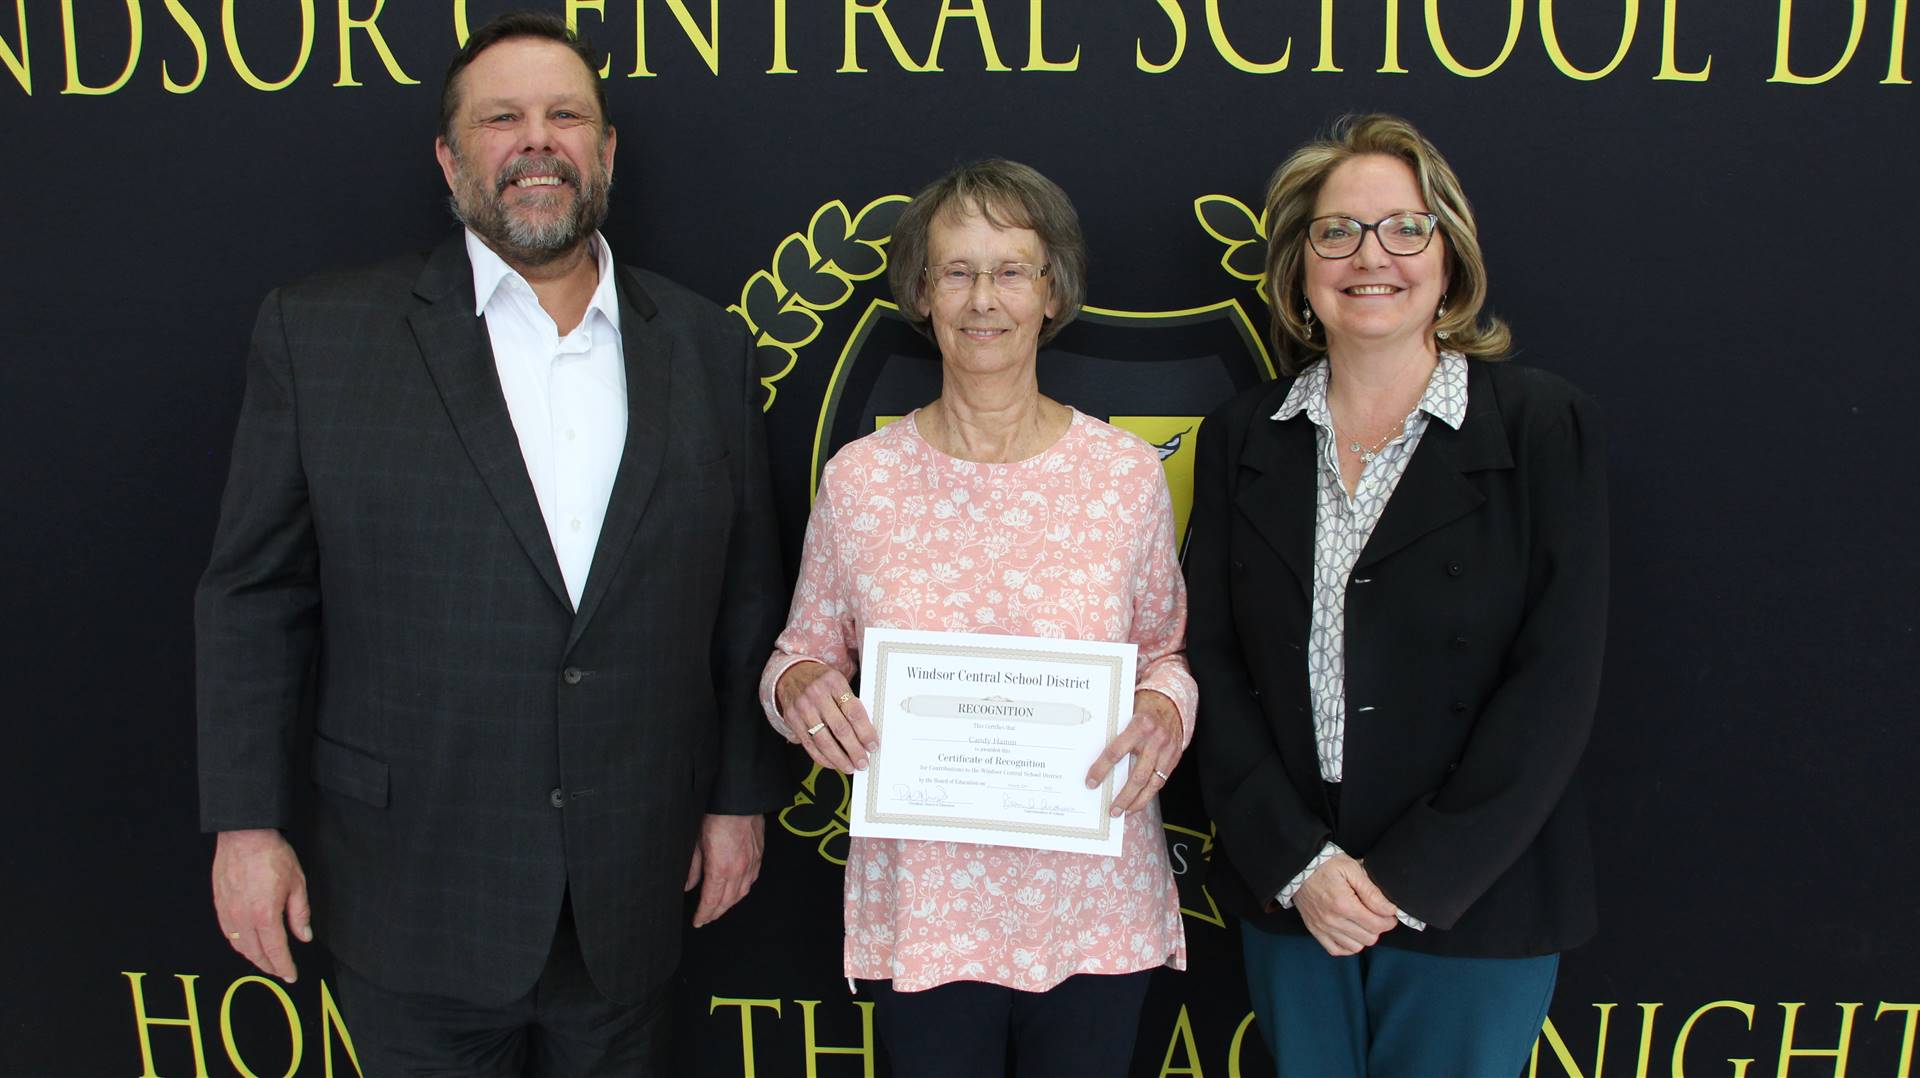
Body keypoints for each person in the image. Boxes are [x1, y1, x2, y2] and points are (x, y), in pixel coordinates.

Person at [194, 13, 787, 1074]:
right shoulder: (321, 334)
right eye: (501, 118)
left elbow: (744, 597)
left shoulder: (707, 345)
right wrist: (247, 825)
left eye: (566, 116)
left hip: (631, 889)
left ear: (607, 150)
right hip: (412, 887)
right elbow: (256, 598)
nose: (537, 141)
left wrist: (737, 797)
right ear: (449, 156)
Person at [1185, 114, 1609, 1077]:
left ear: (1449, 259)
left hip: (1475, 893)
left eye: (1405, 229)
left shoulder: (1542, 425)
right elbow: (1213, 659)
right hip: (1296, 893)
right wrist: (1300, 864)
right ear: (1299, 269)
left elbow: (1556, 679)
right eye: (1336, 232)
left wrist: (1412, 878)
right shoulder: (1243, 434)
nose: (1370, 256)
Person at [759, 159, 1197, 1078]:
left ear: (1052, 291)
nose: (983, 299)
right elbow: (799, 654)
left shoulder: (1124, 475)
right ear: (922, 294)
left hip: (1093, 907)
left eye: (1011, 271)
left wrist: (1166, 706)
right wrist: (798, 686)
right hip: (931, 912)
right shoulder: (861, 479)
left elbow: (1166, 652)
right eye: (956, 271)